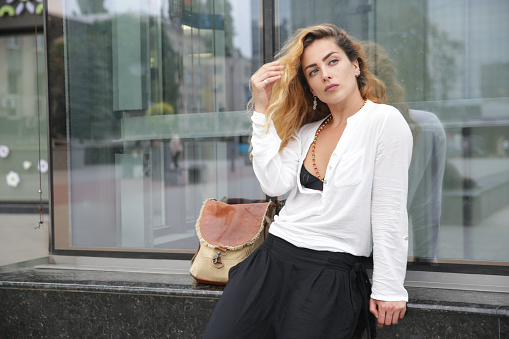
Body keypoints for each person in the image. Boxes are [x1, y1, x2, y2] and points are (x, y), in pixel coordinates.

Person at [203, 24, 412, 339]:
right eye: (313, 71)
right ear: (311, 88)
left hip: (330, 273)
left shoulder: (384, 122)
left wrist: (389, 286)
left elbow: (389, 209)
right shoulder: (307, 132)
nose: (325, 74)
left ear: (355, 66)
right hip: (272, 260)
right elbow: (274, 185)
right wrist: (261, 110)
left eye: (333, 62)